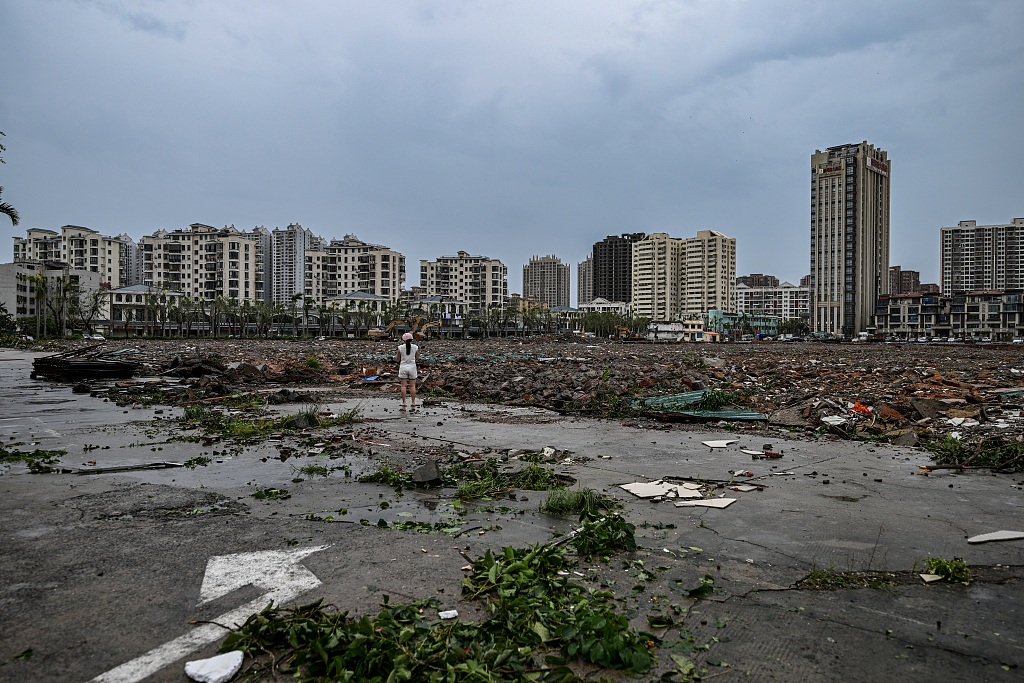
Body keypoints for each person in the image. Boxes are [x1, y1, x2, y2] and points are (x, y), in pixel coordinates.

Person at [397, 332, 420, 408]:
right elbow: (416, 358)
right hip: (412, 367)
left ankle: (404, 402)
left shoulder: (400, 347)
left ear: (403, 340)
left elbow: (398, 358)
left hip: (403, 367)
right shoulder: (416, 347)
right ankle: (413, 402)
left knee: (403, 386)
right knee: (412, 386)